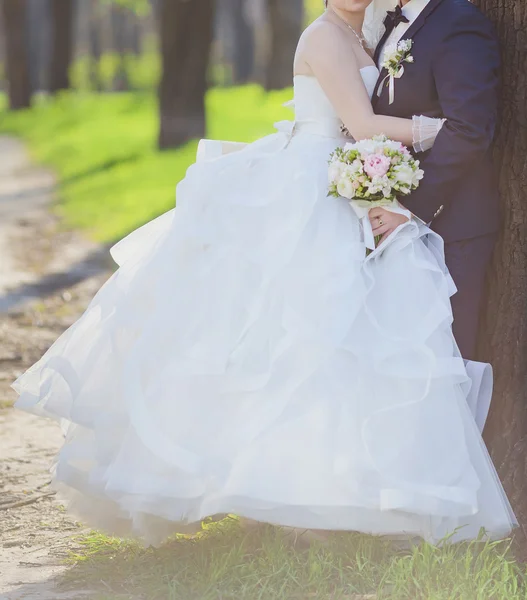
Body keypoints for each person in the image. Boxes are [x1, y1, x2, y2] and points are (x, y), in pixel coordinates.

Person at [13, 0, 516, 547]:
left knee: (341, 337)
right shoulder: (324, 38)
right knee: (286, 334)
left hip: (346, 180)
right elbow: (364, 122)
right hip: (310, 184)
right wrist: (441, 129)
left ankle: (336, 483)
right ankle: (263, 483)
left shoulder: (373, 32)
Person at [370, 0, 501, 359]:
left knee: (449, 366)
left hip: (452, 226)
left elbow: (469, 130)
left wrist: (409, 209)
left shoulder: (459, 23)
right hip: (399, 225)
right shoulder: (394, 23)